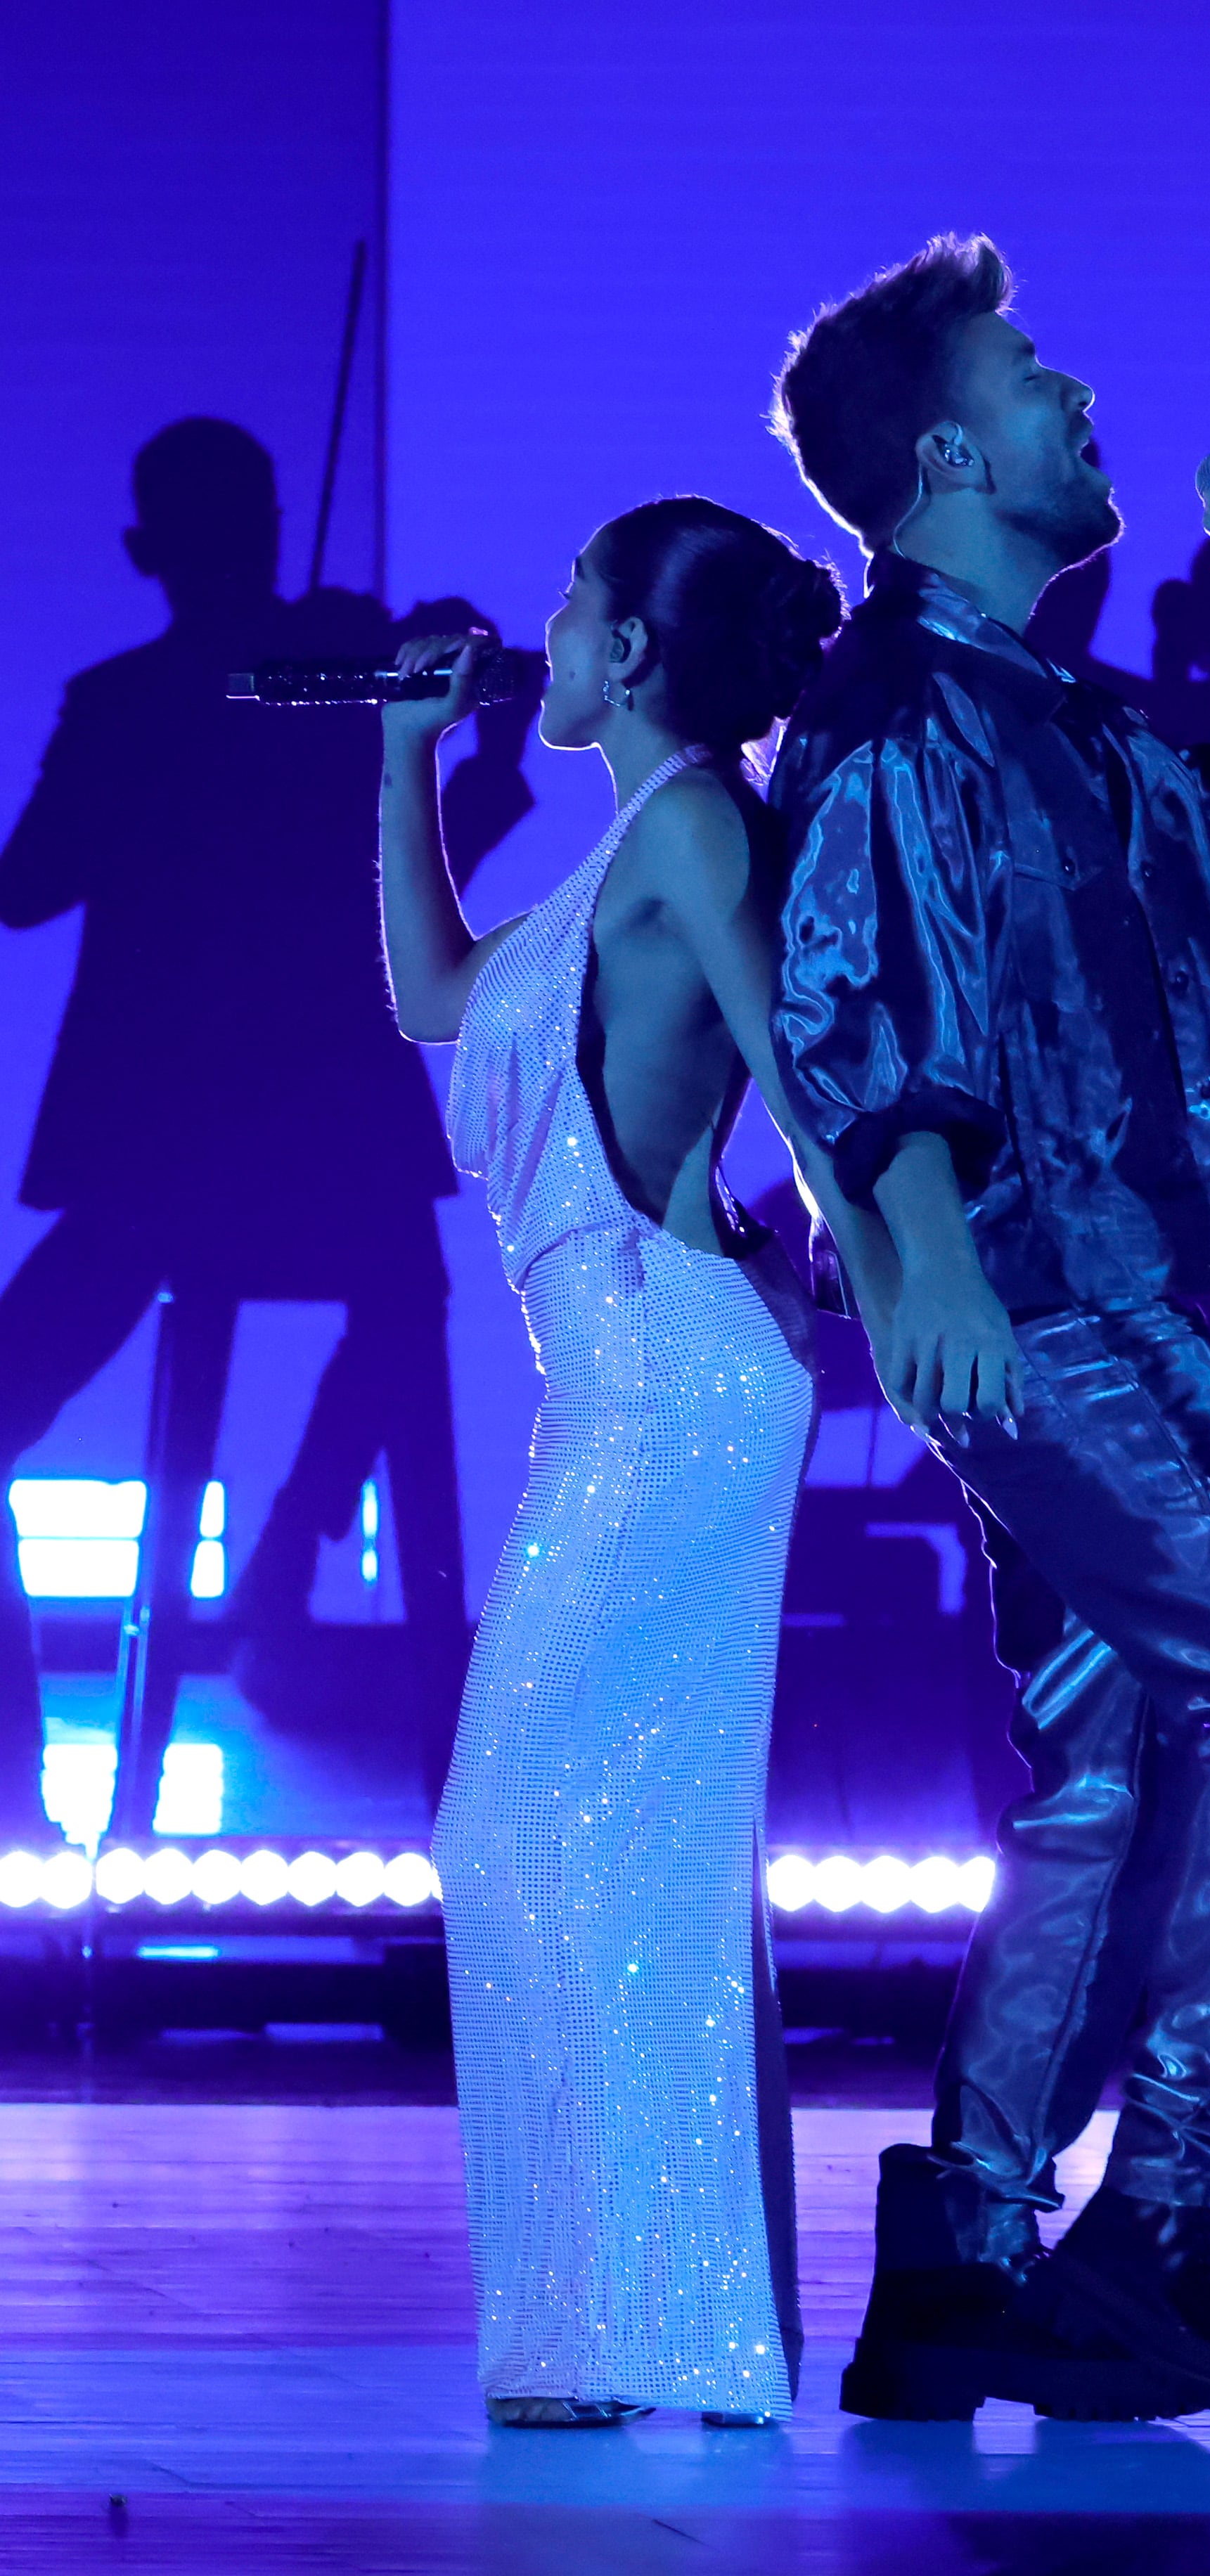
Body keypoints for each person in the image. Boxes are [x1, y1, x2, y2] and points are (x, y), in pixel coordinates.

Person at [769, 237, 1210, 2430]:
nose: (1080, 400)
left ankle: (959, 2259)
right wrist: (918, 1245)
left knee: (1111, 1765)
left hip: (1098, 1273)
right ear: (949, 450)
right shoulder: (886, 713)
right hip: (1039, 1294)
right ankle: (1173, 2214)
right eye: (1037, 376)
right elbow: (853, 990)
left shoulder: (1069, 720)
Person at [379, 497, 896, 2429]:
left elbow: (800, 1054)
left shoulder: (689, 825)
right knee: (590, 1848)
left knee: (554, 1840)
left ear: (635, 655)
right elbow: (436, 996)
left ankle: (635, 2331)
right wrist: (401, 760)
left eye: (570, 608)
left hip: (675, 1382)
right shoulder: (627, 847)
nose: (544, 632)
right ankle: (627, 2331)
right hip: (620, 1383)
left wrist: (846, 1253)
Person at [0, 418, 532, 1834]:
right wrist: (461, 745)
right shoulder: (327, 677)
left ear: (139, 551)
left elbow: (21, 885)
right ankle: (284, 1562)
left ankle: (24, 1785)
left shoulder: (133, 702)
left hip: (161, 1149)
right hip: (326, 1133)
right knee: (398, 1310)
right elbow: (431, 866)